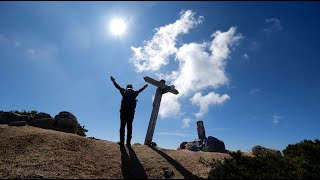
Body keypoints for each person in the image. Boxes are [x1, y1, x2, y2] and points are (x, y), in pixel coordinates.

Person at [110, 76, 148, 146]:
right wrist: (144, 87)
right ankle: (128, 143)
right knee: (129, 127)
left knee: (122, 127)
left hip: (123, 112)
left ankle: (122, 142)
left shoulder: (124, 91)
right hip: (131, 113)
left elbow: (117, 87)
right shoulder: (134, 93)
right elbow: (140, 90)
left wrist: (113, 81)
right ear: (132, 88)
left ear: (127, 87)